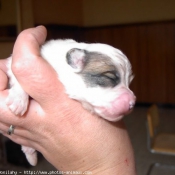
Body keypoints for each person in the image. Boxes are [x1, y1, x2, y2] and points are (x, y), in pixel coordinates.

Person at [0, 26, 136, 174]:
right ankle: (27, 147)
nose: (131, 98)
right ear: (76, 61)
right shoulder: (50, 54)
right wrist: (19, 92)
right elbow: (15, 64)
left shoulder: (84, 71)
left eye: (127, 82)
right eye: (109, 79)